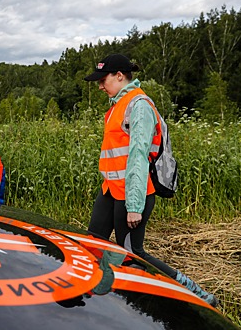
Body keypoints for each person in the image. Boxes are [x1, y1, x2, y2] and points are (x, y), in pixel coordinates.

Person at [84, 54, 217, 307]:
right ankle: (99, 296)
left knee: (133, 254)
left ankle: (192, 291)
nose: (100, 86)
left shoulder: (139, 105)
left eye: (103, 80)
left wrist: (134, 206)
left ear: (120, 76)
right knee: (93, 242)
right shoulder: (116, 105)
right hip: (111, 190)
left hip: (133, 194)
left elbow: (137, 156)